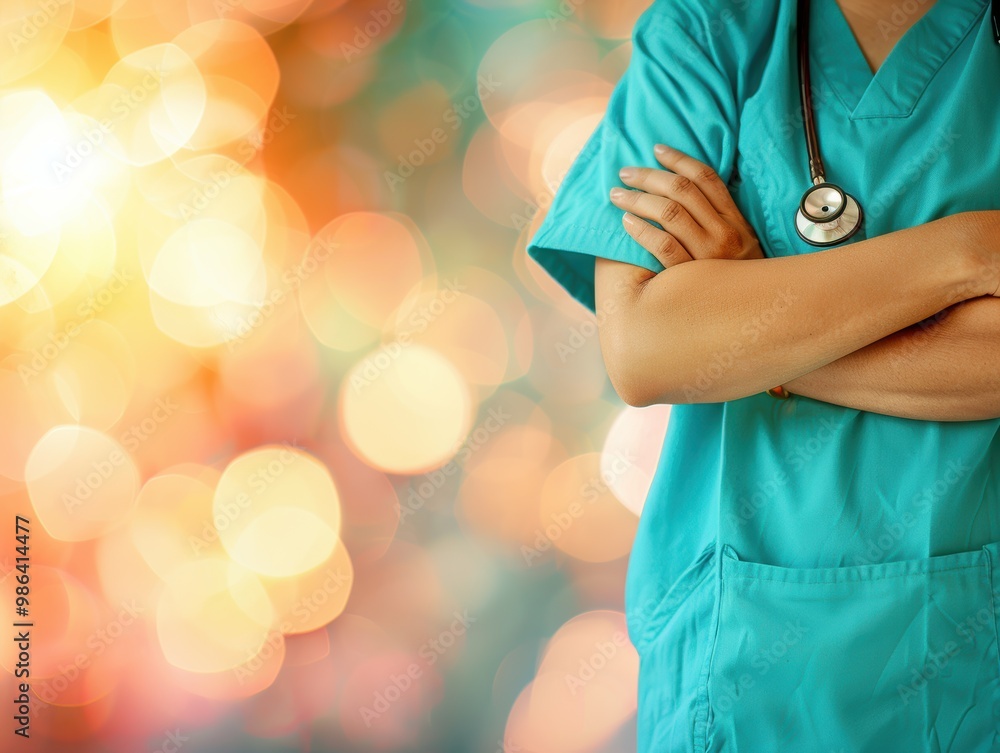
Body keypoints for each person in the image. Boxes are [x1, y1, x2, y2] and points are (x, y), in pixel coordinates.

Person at [526, 0, 1000, 750]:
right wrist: (966, 251)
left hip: (972, 675)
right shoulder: (708, 33)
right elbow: (648, 345)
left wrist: (755, 323)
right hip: (740, 681)